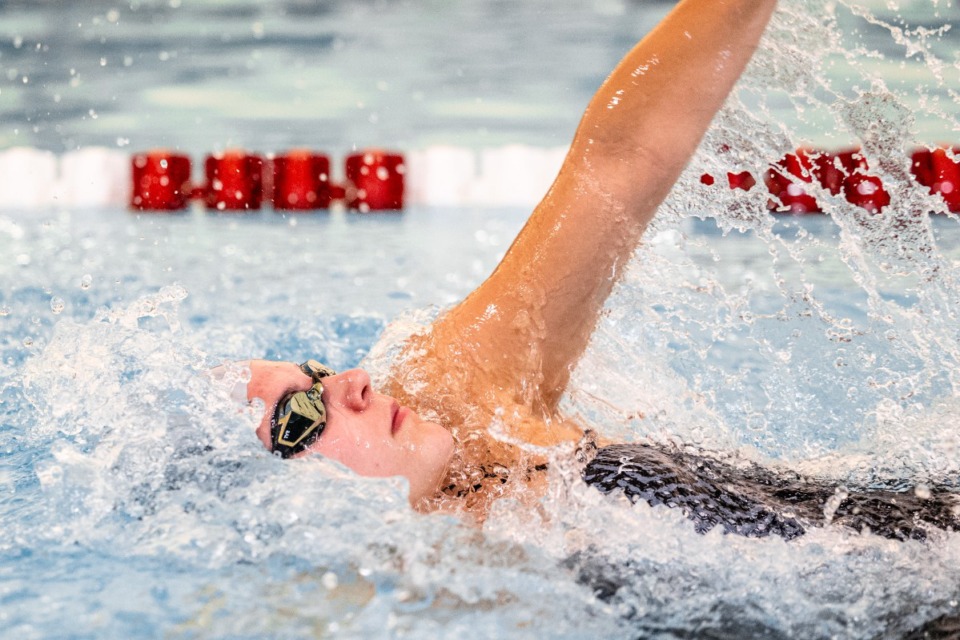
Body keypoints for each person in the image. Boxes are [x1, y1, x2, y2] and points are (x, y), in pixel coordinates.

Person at [237, 0, 959, 541]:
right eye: (303, 415)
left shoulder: (466, 397)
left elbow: (620, 164)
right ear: (285, 504)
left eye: (318, 372)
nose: (352, 383)